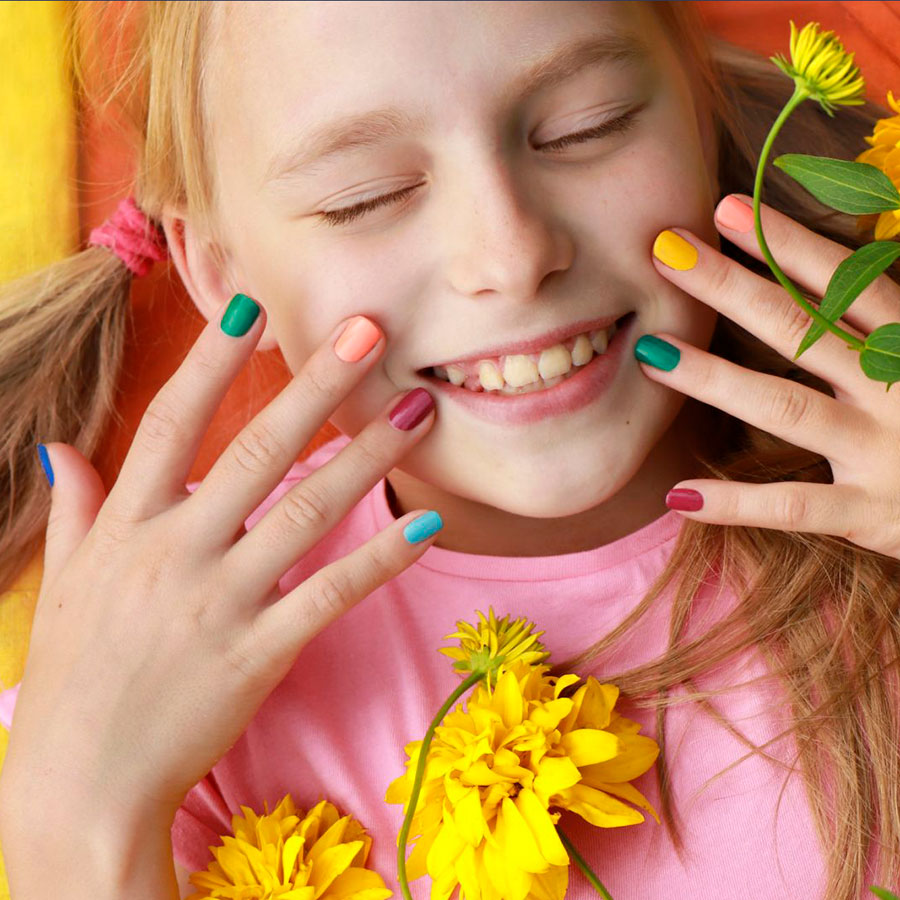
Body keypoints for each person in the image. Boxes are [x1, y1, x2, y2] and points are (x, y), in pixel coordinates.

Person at [0, 1, 898, 898]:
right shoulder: (154, 670)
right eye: (367, 197)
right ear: (221, 266)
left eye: (589, 125)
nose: (511, 254)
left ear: (702, 115)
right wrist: (77, 830)